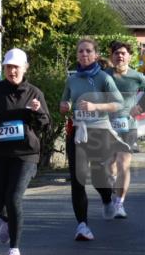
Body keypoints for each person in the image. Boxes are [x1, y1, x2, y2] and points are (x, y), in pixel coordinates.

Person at [0, 49, 50, 255]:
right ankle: (7, 220)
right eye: (9, 67)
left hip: (25, 154)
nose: (12, 71)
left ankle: (14, 250)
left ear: (24, 68)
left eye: (16, 67)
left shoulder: (34, 93)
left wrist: (37, 112)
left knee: (13, 198)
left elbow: (46, 124)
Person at [59, 38, 127, 240]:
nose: (84, 54)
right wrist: (65, 107)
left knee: (98, 175)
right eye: (80, 51)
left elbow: (119, 103)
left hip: (98, 131)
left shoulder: (103, 78)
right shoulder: (72, 79)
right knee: (77, 179)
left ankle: (107, 198)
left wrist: (96, 107)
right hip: (78, 131)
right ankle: (82, 225)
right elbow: (65, 101)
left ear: (96, 55)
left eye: (88, 51)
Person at [105, 40, 145, 218]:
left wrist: (140, 107)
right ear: (111, 57)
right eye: (116, 53)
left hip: (128, 127)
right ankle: (114, 187)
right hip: (107, 128)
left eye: (123, 53)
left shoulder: (137, 77)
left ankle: (120, 204)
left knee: (123, 163)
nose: (120, 56)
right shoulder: (103, 75)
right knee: (109, 166)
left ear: (129, 56)